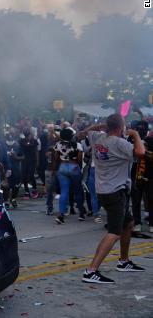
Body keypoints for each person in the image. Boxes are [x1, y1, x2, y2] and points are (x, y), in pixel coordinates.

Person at [78, 114, 146, 284]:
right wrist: (136, 135)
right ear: (120, 127)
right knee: (114, 232)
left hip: (104, 190)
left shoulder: (98, 137)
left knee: (128, 223)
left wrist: (100, 126)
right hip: (115, 192)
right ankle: (91, 271)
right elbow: (140, 153)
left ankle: (123, 261)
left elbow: (83, 133)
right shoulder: (120, 143)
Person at [51, 127, 85, 224]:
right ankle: (81, 213)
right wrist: (80, 168)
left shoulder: (58, 145)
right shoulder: (77, 145)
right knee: (78, 190)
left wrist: (54, 170)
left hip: (62, 167)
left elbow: (56, 158)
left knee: (64, 191)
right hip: (74, 166)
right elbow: (79, 159)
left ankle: (61, 215)